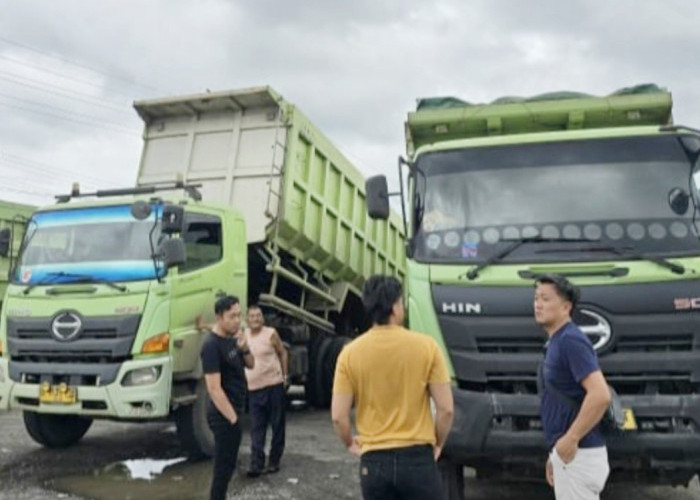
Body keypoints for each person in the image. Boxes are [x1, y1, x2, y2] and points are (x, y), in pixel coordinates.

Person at [331, 275, 454, 500]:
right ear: (396, 308)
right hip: (418, 459)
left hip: (374, 462)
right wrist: (438, 443)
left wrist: (349, 443)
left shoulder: (349, 354)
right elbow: (446, 409)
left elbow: (339, 416)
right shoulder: (427, 347)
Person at [535, 274, 611, 500]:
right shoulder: (557, 341)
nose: (538, 304)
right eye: (536, 298)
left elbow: (600, 395)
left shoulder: (570, 340)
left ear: (566, 307)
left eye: (546, 299)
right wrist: (556, 454)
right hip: (570, 455)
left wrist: (570, 439)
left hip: (580, 455)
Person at [200, 295, 254, 500]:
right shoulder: (211, 346)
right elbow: (214, 389)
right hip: (223, 415)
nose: (237, 320)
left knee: (228, 466)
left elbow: (251, 365)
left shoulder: (233, 339)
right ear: (219, 317)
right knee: (222, 469)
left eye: (239, 315)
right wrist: (233, 419)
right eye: (232, 316)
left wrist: (245, 348)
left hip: (234, 410)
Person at [243, 304, 289, 477]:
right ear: (247, 319)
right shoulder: (243, 335)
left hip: (273, 386)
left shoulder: (271, 334)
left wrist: (285, 376)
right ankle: (256, 464)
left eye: (258, 316)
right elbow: (221, 329)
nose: (255, 319)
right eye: (252, 316)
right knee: (257, 427)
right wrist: (203, 325)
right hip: (254, 390)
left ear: (262, 318)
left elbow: (283, 353)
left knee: (277, 425)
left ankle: (274, 461)